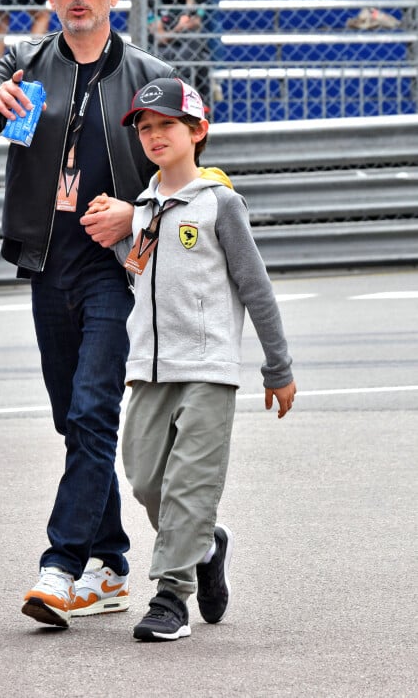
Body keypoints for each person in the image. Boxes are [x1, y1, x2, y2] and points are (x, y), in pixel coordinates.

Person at [0, 0, 175, 629]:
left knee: (90, 415)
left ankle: (62, 566)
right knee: (70, 420)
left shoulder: (147, 75)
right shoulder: (25, 63)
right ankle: (128, 558)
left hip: (114, 268)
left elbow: (187, 179)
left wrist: (134, 215)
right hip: (47, 263)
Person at [104, 76, 296, 641]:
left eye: (167, 125)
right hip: (148, 370)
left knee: (191, 483)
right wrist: (113, 235)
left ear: (197, 131)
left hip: (208, 369)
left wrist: (277, 367)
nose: (155, 135)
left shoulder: (220, 204)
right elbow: (139, 270)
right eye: (145, 128)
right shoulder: (141, 210)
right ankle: (207, 546)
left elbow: (256, 287)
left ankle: (169, 598)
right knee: (143, 480)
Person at [147, 0, 210, 102]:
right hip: (162, 48)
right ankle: (185, 98)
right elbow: (160, 37)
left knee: (194, 46)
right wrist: (180, 28)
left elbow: (196, 26)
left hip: (189, 47)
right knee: (175, 55)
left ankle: (194, 102)